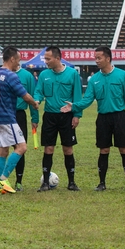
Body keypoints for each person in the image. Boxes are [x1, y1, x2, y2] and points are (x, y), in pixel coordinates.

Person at [61, 46, 125, 192]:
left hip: (119, 116)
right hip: (103, 118)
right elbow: (88, 99)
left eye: (99, 58)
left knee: (123, 148)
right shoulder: (94, 79)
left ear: (108, 58)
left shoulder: (122, 75)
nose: (96, 61)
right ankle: (102, 183)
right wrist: (74, 106)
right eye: (95, 58)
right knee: (103, 149)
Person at [0, 47, 39, 195]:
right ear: (12, 59)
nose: (19, 63)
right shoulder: (11, 76)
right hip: (7, 118)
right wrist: (34, 104)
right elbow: (25, 96)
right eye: (18, 60)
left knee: (2, 150)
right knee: (22, 147)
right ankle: (2, 179)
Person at [33, 46, 83, 192]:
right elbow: (38, 92)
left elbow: (77, 96)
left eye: (48, 59)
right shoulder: (44, 75)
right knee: (48, 148)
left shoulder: (72, 74)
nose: (46, 61)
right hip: (50, 116)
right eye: (45, 58)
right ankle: (45, 183)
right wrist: (37, 100)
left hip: (67, 117)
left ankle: (71, 182)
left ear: (57, 58)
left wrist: (77, 115)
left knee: (68, 148)